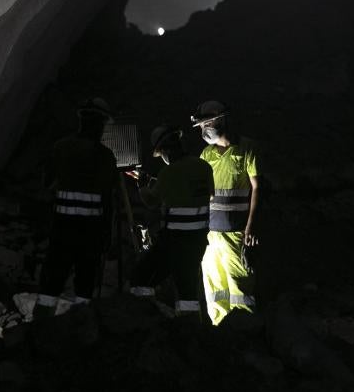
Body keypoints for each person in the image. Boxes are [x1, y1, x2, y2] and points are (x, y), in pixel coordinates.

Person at [35, 97, 117, 317]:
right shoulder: (106, 157)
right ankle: (81, 326)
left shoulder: (61, 147)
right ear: (101, 124)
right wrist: (108, 234)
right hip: (91, 229)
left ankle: (41, 322)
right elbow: (108, 199)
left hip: (62, 225)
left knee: (53, 273)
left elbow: (46, 185)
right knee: (86, 278)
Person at [128, 124, 213, 319]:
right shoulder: (203, 167)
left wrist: (142, 187)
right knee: (187, 290)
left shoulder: (169, 173)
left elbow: (151, 202)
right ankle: (192, 330)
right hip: (197, 241)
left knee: (141, 276)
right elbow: (201, 195)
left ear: (164, 150)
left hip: (173, 241)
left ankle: (146, 317)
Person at [192, 100, 260, 325]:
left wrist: (252, 225)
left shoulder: (246, 148)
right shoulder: (206, 155)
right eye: (201, 126)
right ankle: (219, 330)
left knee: (239, 283)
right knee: (215, 287)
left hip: (236, 233)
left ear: (221, 120)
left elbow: (257, 188)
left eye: (206, 124)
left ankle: (246, 331)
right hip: (211, 235)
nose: (204, 130)